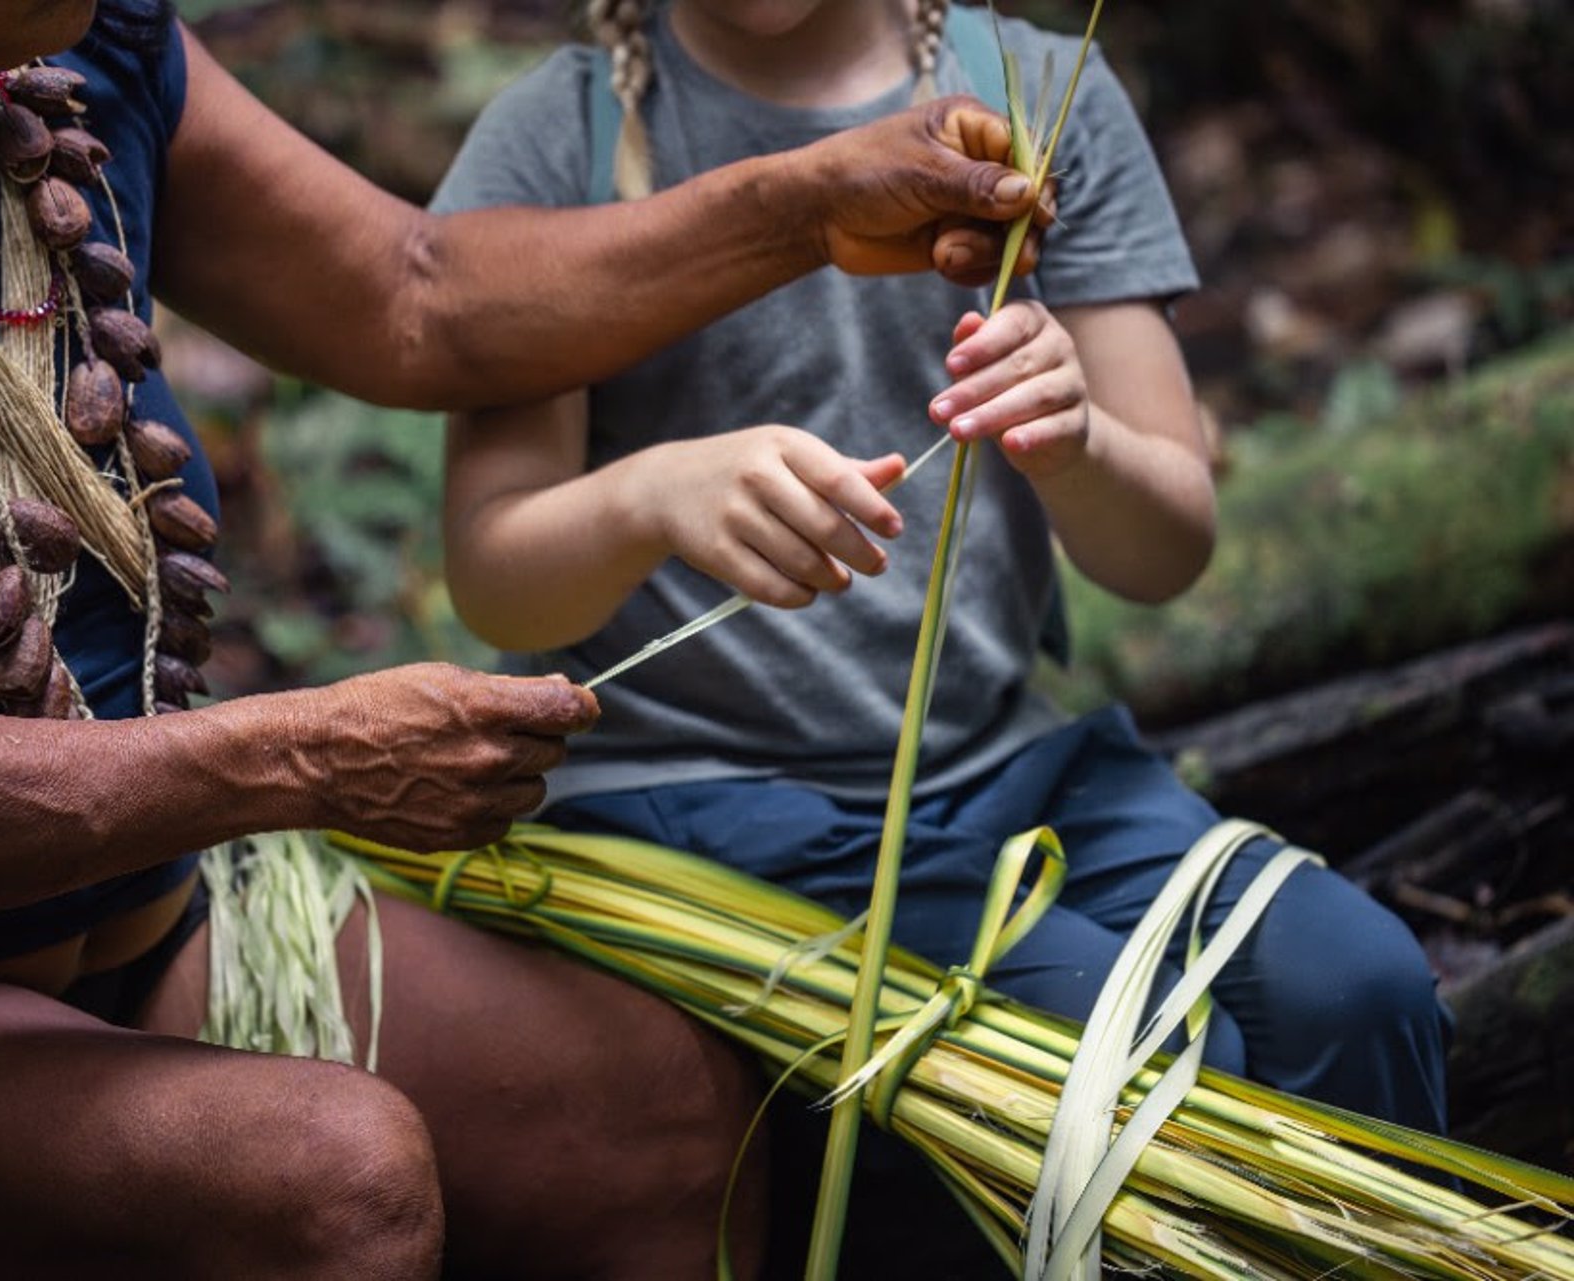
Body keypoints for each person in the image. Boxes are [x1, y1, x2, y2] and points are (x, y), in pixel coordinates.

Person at [0, 0, 1053, 1276]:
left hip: (133, 924)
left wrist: (805, 206)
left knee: (663, 1122)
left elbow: (414, 292)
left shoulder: (75, 60)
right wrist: (305, 759)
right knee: (332, 1183)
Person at [433, 0, 1453, 1270]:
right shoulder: (561, 137)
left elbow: (1166, 544)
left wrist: (1072, 442)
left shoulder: (1030, 94)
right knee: (1099, 1049)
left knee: (1356, 989)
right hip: (691, 795)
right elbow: (494, 575)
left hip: (1002, 764)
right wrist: (655, 497)